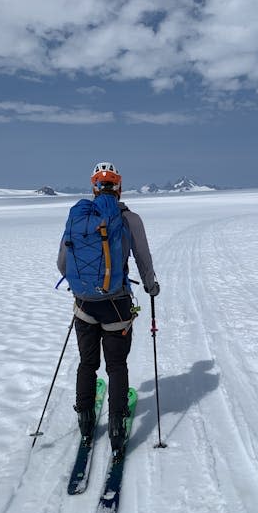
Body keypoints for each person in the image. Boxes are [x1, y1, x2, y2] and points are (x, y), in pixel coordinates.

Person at [57, 162, 159, 455]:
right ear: (119, 187)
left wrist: (82, 285)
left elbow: (62, 263)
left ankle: (85, 421)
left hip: (85, 305)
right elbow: (143, 259)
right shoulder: (130, 220)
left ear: (94, 187)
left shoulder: (79, 218)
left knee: (88, 363)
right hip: (117, 305)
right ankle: (117, 428)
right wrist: (151, 287)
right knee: (116, 366)